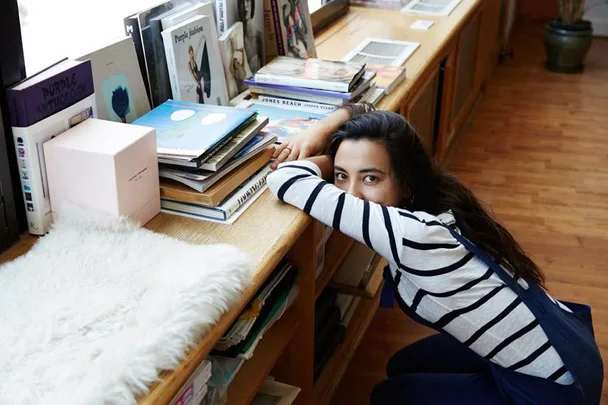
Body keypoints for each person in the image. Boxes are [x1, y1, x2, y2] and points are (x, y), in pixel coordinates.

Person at [267, 103, 604, 404]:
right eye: (342, 177)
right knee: (403, 365)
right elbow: (363, 108)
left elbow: (286, 179)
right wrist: (325, 135)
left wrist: (330, 159)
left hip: (553, 390)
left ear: (407, 183)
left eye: (370, 177)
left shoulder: (413, 235)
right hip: (568, 345)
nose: (351, 195)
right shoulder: (435, 205)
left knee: (388, 396)